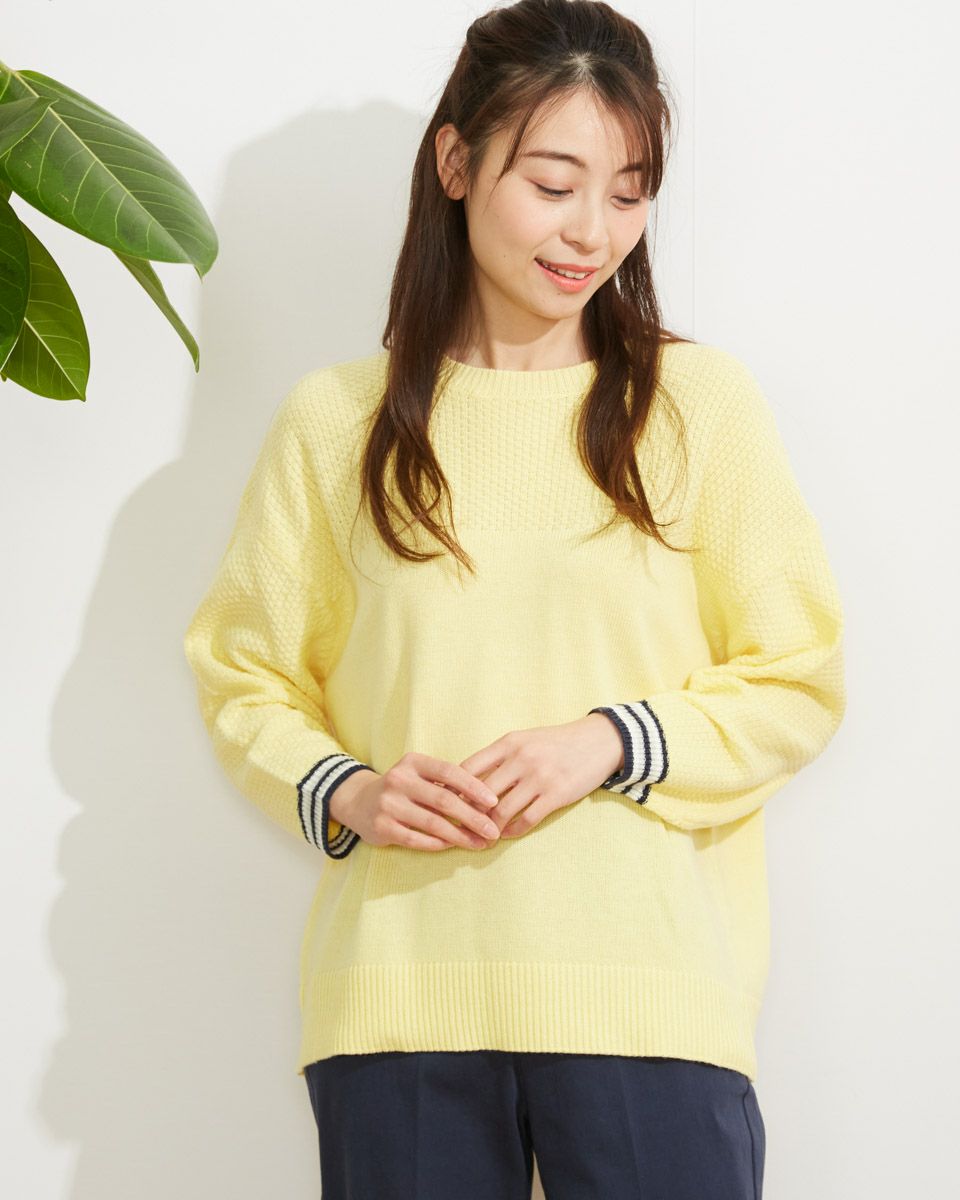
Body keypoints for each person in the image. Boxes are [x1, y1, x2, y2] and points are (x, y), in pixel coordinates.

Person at [182, 1, 846, 1196]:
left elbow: (797, 678)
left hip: (648, 1000)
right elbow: (245, 675)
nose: (593, 230)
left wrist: (611, 739)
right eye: (553, 183)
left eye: (629, 192)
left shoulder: (698, 408)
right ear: (456, 162)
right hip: (399, 1005)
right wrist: (349, 790)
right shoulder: (336, 423)